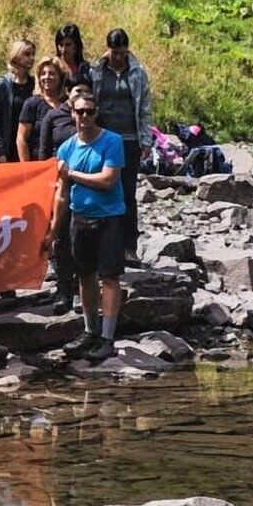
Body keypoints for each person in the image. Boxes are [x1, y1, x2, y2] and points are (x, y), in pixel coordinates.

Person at [42, 92, 125, 364]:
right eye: (80, 112)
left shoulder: (112, 141)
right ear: (73, 114)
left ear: (96, 112)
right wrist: (53, 230)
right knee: (85, 276)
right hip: (80, 219)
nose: (85, 117)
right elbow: (61, 193)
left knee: (110, 277)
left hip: (109, 218)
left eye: (90, 111)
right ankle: (90, 331)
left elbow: (108, 180)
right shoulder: (66, 148)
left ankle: (107, 338)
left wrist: (72, 174)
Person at [90, 28, 152, 263]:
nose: (117, 58)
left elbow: (144, 106)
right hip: (103, 138)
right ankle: (102, 245)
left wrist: (146, 139)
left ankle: (129, 246)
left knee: (127, 194)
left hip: (129, 140)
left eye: (121, 53)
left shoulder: (137, 72)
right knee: (102, 188)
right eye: (114, 53)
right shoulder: (97, 71)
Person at [39, 82, 92, 312]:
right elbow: (43, 151)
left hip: (87, 185)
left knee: (82, 239)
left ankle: (83, 291)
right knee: (59, 235)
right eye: (77, 91)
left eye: (85, 92)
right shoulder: (53, 116)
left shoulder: (94, 118)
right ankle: (63, 290)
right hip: (59, 181)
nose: (84, 114)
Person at [0, 39, 36, 162]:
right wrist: (0, 152)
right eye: (27, 54)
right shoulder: (2, 85)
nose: (32, 58)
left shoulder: (35, 84)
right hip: (8, 147)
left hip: (31, 146)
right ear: (16, 56)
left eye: (33, 54)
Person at [16, 57, 67, 162]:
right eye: (43, 73)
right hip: (38, 164)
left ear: (60, 77)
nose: (47, 77)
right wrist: (26, 168)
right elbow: (21, 139)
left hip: (65, 163)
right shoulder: (32, 104)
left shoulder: (68, 103)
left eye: (52, 73)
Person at [55, 23, 91, 90]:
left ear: (76, 45)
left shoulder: (85, 68)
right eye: (61, 45)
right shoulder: (54, 66)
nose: (64, 49)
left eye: (68, 45)